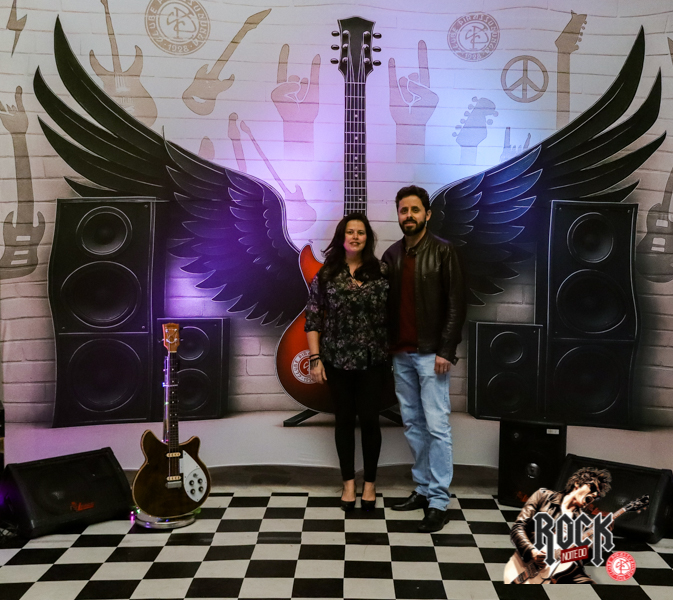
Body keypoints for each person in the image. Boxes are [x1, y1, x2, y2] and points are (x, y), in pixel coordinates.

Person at [382, 185, 466, 532]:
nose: (409, 216)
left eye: (415, 210)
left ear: (427, 214)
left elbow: (456, 303)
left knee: (437, 426)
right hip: (401, 355)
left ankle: (438, 501)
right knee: (413, 425)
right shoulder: (391, 255)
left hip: (432, 355)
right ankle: (422, 488)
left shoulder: (444, 251)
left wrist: (446, 350)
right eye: (404, 210)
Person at [305, 213, 389, 512]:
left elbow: (395, 313)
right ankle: (348, 483)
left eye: (361, 232)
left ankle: (370, 484)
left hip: (373, 361)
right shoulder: (327, 274)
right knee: (343, 421)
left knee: (370, 421)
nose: (355, 237)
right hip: (336, 360)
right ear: (342, 237)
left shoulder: (382, 272)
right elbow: (313, 318)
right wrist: (315, 359)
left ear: (368, 238)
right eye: (350, 232)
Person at [506, 467, 613, 584]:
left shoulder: (585, 523)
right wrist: (532, 551)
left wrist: (599, 540)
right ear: (577, 483)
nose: (595, 494)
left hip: (564, 570)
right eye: (592, 488)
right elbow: (518, 527)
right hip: (531, 566)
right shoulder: (543, 497)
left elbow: (582, 557)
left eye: (597, 495)